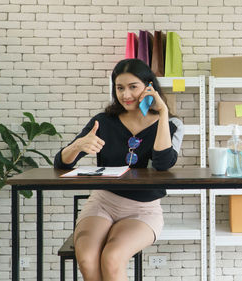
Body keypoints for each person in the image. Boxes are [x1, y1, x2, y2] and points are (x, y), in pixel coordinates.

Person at [54, 58, 184, 281]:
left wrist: (162, 112)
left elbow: (163, 164)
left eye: (133, 87)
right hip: (103, 203)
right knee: (86, 258)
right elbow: (61, 163)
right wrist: (77, 146)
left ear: (148, 87)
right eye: (120, 88)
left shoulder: (172, 125)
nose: (126, 95)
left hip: (143, 210)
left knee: (112, 257)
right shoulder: (103, 121)